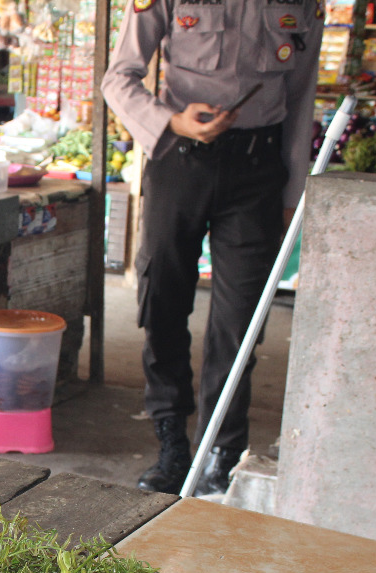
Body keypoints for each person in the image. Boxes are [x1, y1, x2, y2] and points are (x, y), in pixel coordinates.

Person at [101, 0, 322, 496]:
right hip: (179, 160)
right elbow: (119, 77)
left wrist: (292, 196)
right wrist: (172, 121)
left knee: (241, 319)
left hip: (257, 168)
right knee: (162, 300)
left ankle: (220, 450)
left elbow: (301, 95)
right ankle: (171, 441)